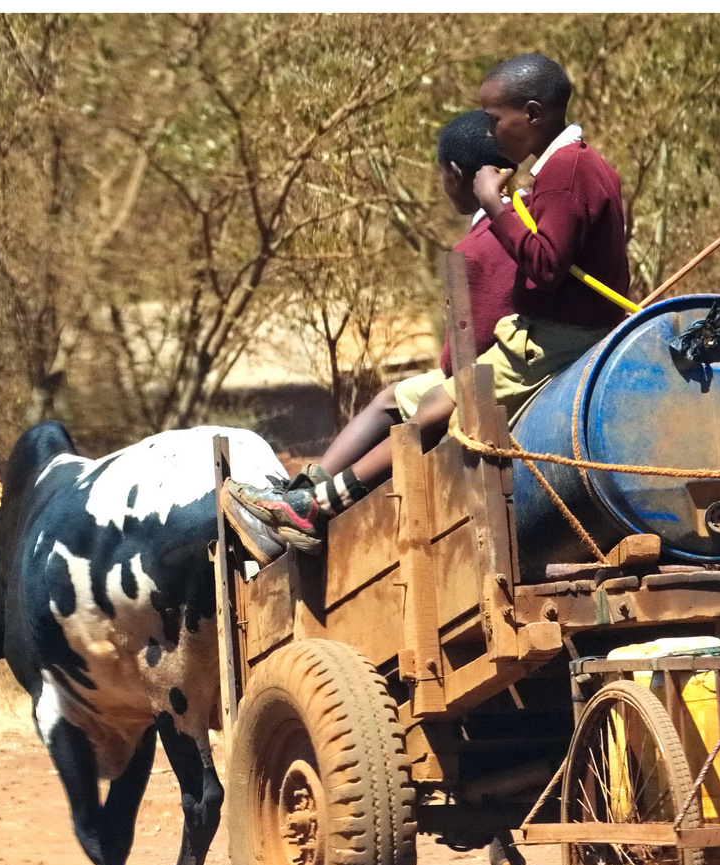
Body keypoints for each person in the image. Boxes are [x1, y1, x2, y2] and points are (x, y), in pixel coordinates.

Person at [229, 53, 631, 551]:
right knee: (420, 402)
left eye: (494, 118)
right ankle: (310, 495)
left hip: (554, 340)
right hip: (546, 333)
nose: (491, 129)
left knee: (432, 412)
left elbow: (547, 266)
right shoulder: (570, 166)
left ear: (532, 114)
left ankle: (317, 508)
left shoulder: (567, 170)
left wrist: (491, 202)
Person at [224, 109, 517, 551]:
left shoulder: (478, 247)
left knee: (395, 406)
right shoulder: (525, 220)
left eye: (441, 175)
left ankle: (309, 498)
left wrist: (448, 369)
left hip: (482, 373)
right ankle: (304, 491)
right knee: (391, 397)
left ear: (456, 174)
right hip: (504, 361)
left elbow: (467, 346)